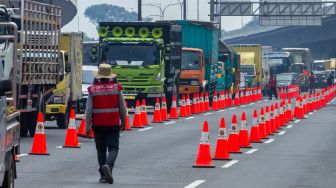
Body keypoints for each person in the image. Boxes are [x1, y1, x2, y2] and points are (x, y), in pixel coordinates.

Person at [85, 63, 126, 184]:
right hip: (113, 124)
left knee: (101, 150)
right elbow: (122, 107)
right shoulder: (116, 88)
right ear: (110, 76)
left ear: (98, 76)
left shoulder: (93, 90)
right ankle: (108, 166)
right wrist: (123, 121)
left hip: (98, 125)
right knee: (113, 148)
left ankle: (103, 176)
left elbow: (88, 110)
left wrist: (87, 127)